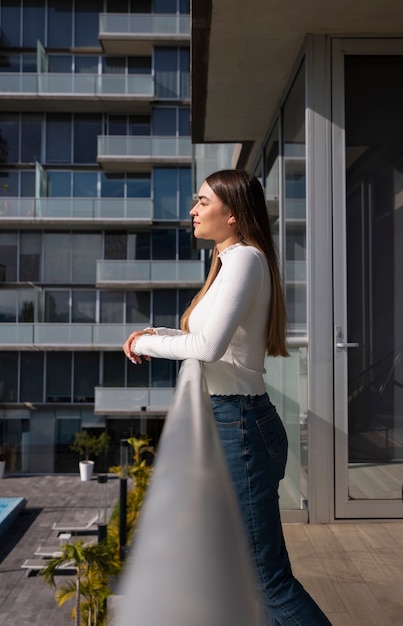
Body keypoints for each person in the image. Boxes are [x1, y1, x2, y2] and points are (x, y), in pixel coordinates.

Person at [123, 169, 332, 625]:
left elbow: (207, 349)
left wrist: (144, 345)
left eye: (202, 202)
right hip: (235, 422)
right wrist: (158, 332)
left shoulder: (244, 261)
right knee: (252, 572)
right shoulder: (231, 262)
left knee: (267, 580)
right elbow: (205, 336)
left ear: (232, 214)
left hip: (239, 425)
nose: (193, 210)